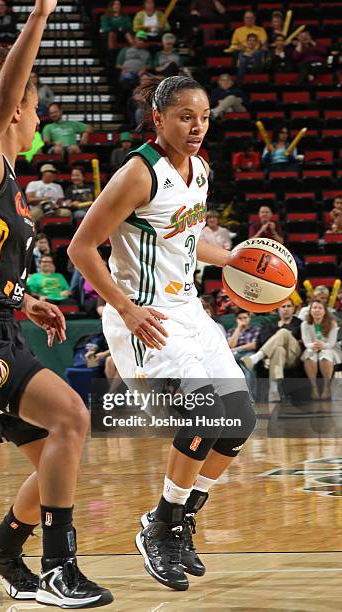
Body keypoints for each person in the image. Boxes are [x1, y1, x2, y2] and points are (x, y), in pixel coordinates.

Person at [0, 2, 112, 608]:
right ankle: (61, 568)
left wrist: (25, 297)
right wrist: (38, 15)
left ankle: (2, 550)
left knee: (56, 457)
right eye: (35, 105)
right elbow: (8, 87)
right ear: (15, 107)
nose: (40, 116)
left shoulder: (4, 178)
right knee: (72, 418)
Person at [68, 75, 255, 591]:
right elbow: (81, 248)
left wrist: (240, 261)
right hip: (144, 313)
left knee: (239, 419)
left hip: (188, 309)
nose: (196, 128)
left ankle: (173, 518)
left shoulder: (201, 170)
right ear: (159, 118)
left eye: (203, 119)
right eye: (185, 117)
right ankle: (164, 527)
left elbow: (191, 245)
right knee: (206, 411)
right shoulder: (136, 173)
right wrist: (125, 310)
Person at [241, 299, 302, 403]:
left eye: (288, 306)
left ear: (293, 308)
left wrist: (281, 334)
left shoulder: (299, 323)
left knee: (284, 332)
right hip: (276, 357)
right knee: (278, 350)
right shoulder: (270, 325)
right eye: (283, 307)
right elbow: (263, 340)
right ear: (278, 309)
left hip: (293, 355)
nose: (286, 309)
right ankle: (274, 390)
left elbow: (297, 336)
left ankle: (256, 357)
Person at [301, 301, 341, 399]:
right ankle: (314, 387)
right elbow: (306, 342)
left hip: (329, 348)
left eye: (320, 308)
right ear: (310, 311)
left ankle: (326, 387)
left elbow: (331, 344)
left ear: (324, 311)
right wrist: (314, 345)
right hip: (312, 348)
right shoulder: (305, 324)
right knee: (309, 356)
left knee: (325, 355)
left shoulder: (332, 323)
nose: (317, 310)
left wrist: (322, 345)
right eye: (314, 308)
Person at [227, 310, 259, 397]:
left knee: (246, 364)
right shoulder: (232, 331)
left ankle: (249, 398)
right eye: (240, 318)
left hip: (248, 352)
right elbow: (230, 345)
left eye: (245, 318)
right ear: (236, 320)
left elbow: (254, 345)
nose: (242, 320)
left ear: (249, 318)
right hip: (234, 354)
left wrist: (238, 348)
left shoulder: (255, 329)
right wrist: (238, 328)